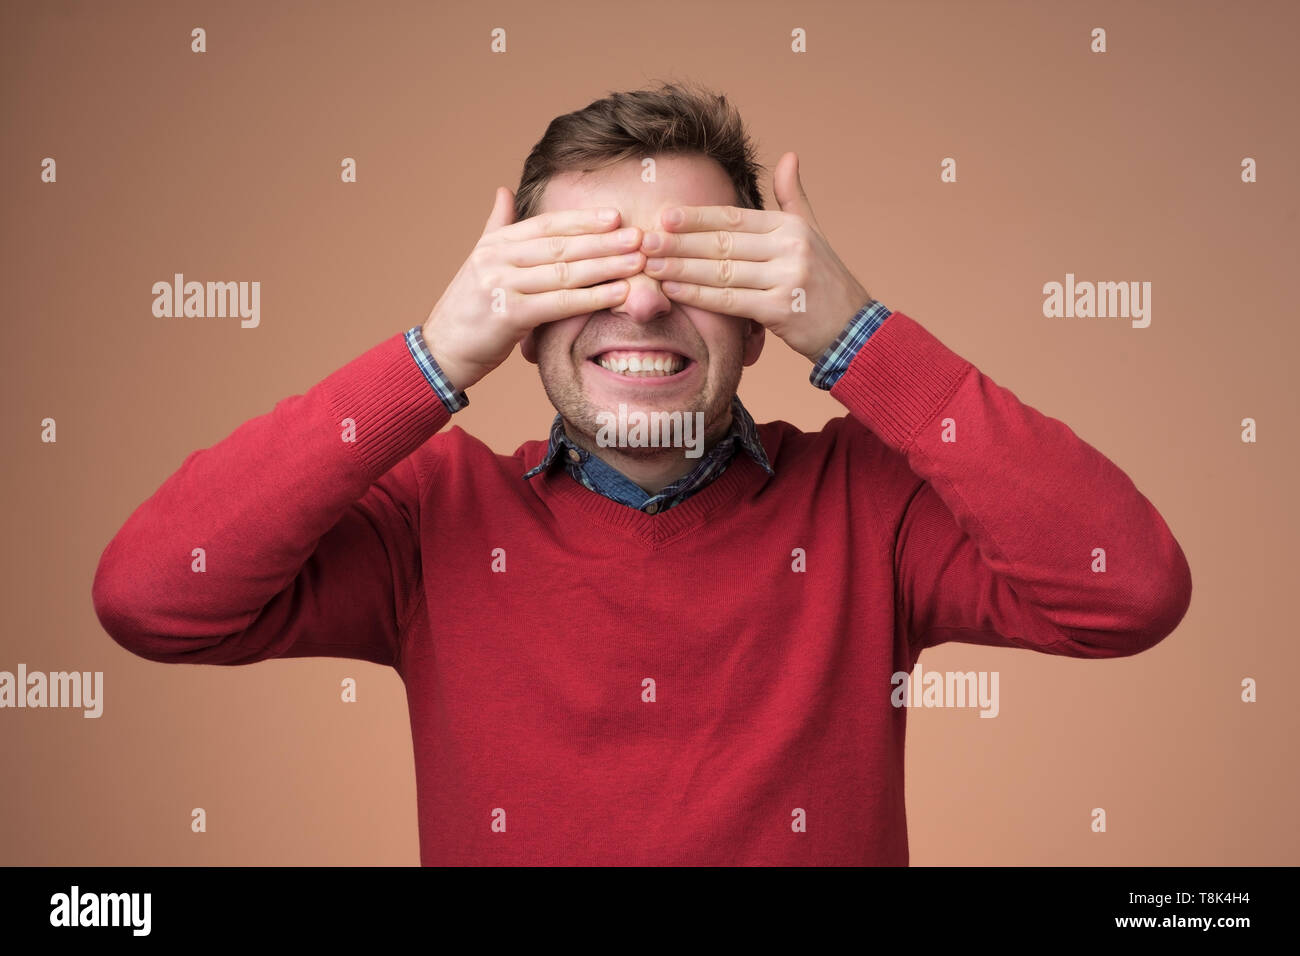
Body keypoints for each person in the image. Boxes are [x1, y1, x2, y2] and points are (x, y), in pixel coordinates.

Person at [92, 82, 1193, 865]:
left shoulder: (868, 501)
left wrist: (860, 334)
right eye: (584, 268)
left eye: (692, 264)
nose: (642, 304)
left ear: (763, 319)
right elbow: (150, 597)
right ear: (520, 323)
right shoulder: (433, 513)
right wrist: (430, 359)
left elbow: (1128, 591)